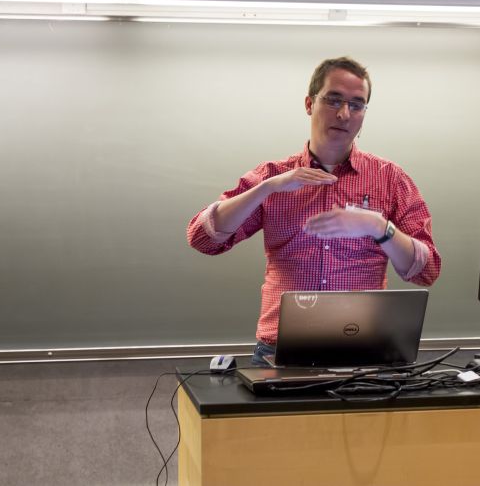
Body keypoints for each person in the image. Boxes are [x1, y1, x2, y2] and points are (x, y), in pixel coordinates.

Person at [187, 56, 441, 365]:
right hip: (281, 351)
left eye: (357, 105)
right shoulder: (273, 176)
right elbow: (203, 238)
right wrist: (267, 188)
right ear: (309, 104)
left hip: (365, 347)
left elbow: (427, 270)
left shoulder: (390, 179)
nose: (344, 114)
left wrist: (379, 227)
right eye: (334, 100)